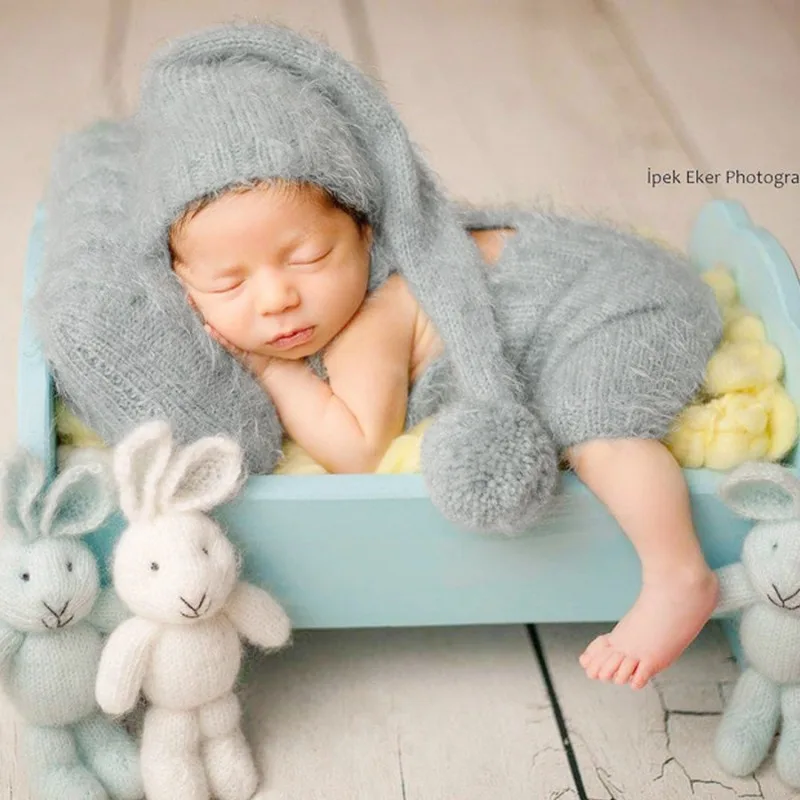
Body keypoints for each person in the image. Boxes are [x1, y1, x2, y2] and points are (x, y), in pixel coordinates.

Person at [34, 23, 723, 688]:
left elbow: (360, 449)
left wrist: (272, 371)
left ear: (366, 229)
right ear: (180, 281)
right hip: (595, 272)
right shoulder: (292, 290)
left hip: (620, 306)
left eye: (308, 257)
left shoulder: (373, 319)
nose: (276, 299)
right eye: (229, 282)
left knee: (597, 426)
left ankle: (678, 576)